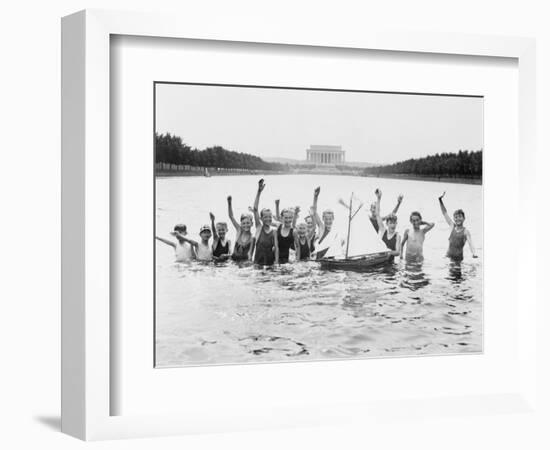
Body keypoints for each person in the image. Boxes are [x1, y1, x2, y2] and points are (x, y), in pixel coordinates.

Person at [438, 191, 478, 261]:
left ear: (464, 218)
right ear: (454, 219)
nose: (458, 219)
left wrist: (474, 253)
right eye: (456, 217)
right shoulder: (451, 226)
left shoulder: (466, 231)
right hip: (448, 257)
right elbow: (444, 213)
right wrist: (440, 200)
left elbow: (470, 243)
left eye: (460, 217)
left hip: (458, 260)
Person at [251, 179, 279, 266]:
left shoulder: (274, 231)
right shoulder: (259, 227)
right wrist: (259, 192)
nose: (268, 219)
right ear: (261, 218)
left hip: (270, 264)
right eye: (265, 217)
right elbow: (255, 209)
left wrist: (276, 262)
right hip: (258, 263)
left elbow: (276, 248)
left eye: (270, 217)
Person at [311, 186, 343, 259]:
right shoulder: (322, 228)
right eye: (326, 219)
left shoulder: (335, 232)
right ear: (323, 218)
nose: (328, 221)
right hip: (320, 261)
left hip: (331, 261)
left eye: (330, 219)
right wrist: (315, 197)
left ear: (333, 219)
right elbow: (314, 212)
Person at [374, 189, 401, 262]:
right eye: (391, 223)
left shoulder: (397, 236)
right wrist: (379, 199)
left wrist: (388, 252)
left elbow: (398, 252)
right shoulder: (383, 230)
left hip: (390, 264)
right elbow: (377, 215)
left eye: (394, 223)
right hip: (379, 262)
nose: (393, 225)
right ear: (387, 224)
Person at [227, 195, 254, 261]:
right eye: (244, 223)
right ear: (241, 224)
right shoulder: (239, 231)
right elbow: (231, 216)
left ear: (252, 224)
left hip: (243, 262)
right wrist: (229, 203)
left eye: (248, 223)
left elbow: (250, 255)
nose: (246, 225)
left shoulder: (252, 238)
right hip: (233, 261)